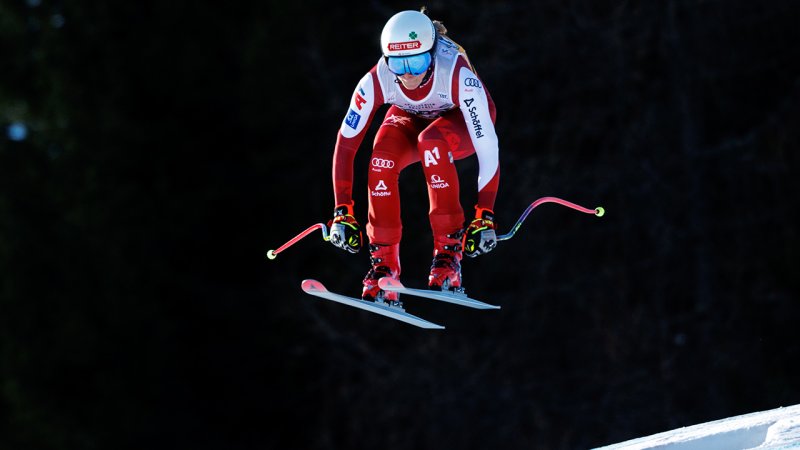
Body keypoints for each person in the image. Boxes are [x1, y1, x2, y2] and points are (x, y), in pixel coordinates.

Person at [327, 9, 500, 304]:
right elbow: (346, 144)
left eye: (416, 62)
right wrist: (342, 210)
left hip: (459, 124)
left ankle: (448, 257)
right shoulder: (377, 79)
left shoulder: (458, 76)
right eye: (398, 64)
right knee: (381, 157)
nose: (407, 73)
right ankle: (384, 267)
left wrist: (485, 214)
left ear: (432, 55)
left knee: (430, 143)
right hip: (410, 116)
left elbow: (488, 147)